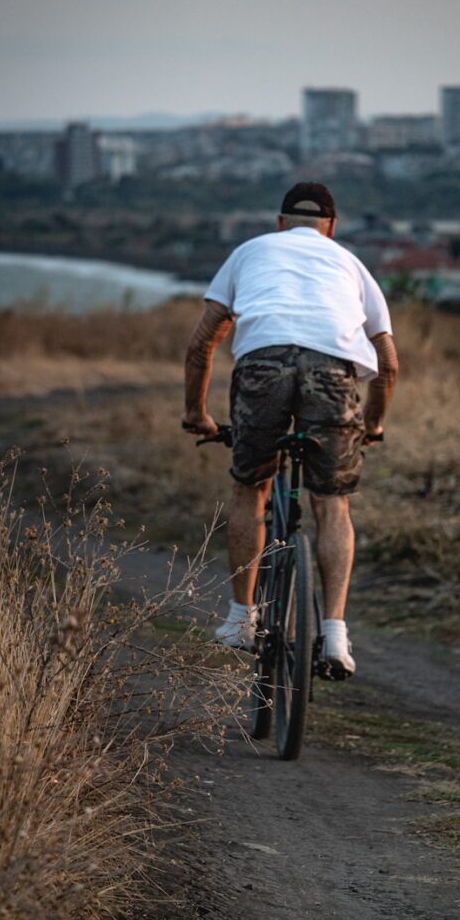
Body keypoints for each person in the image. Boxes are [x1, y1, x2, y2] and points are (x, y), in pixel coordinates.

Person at [181, 181, 398, 677]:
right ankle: (336, 637)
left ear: (279, 224)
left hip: (263, 365)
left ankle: (241, 619)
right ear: (332, 227)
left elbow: (201, 345)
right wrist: (373, 423)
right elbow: (387, 362)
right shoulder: (350, 263)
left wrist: (196, 413)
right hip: (332, 371)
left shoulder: (249, 252)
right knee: (331, 502)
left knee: (251, 488)